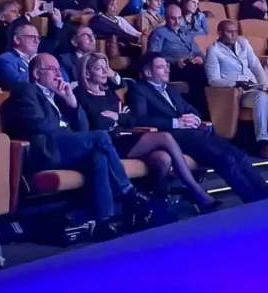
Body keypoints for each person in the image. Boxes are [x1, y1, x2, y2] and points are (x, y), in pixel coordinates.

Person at [1, 53, 150, 238]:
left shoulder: (58, 95)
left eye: (59, 70)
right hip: (46, 150)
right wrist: (65, 128)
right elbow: (38, 125)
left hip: (65, 147)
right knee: (100, 137)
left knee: (99, 157)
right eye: (52, 70)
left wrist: (71, 101)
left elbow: (83, 128)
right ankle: (128, 192)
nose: (58, 75)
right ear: (37, 74)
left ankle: (104, 221)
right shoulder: (26, 90)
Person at [74, 51, 221, 211]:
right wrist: (119, 117)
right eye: (98, 68)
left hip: (126, 135)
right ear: (86, 73)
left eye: (106, 67)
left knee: (163, 158)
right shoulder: (80, 95)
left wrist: (117, 117)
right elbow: (98, 122)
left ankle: (155, 199)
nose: (104, 72)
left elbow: (131, 119)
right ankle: (195, 191)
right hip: (108, 143)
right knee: (164, 137)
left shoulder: (108, 92)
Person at [129, 54, 268, 202]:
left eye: (167, 66)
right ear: (148, 72)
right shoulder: (139, 89)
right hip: (173, 137)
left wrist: (195, 119)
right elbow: (141, 119)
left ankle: (267, 193)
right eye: (161, 67)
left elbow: (189, 108)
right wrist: (176, 122)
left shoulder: (170, 89)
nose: (167, 69)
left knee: (239, 155)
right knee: (225, 159)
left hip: (195, 132)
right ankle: (253, 199)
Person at [204, 20, 268, 157]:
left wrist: (265, 85)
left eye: (235, 31)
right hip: (232, 93)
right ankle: (263, 144)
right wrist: (236, 83)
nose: (234, 34)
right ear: (220, 33)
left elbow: (255, 65)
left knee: (263, 96)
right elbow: (213, 80)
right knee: (261, 98)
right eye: (230, 32)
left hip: (251, 87)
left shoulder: (243, 43)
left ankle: (263, 140)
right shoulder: (213, 50)